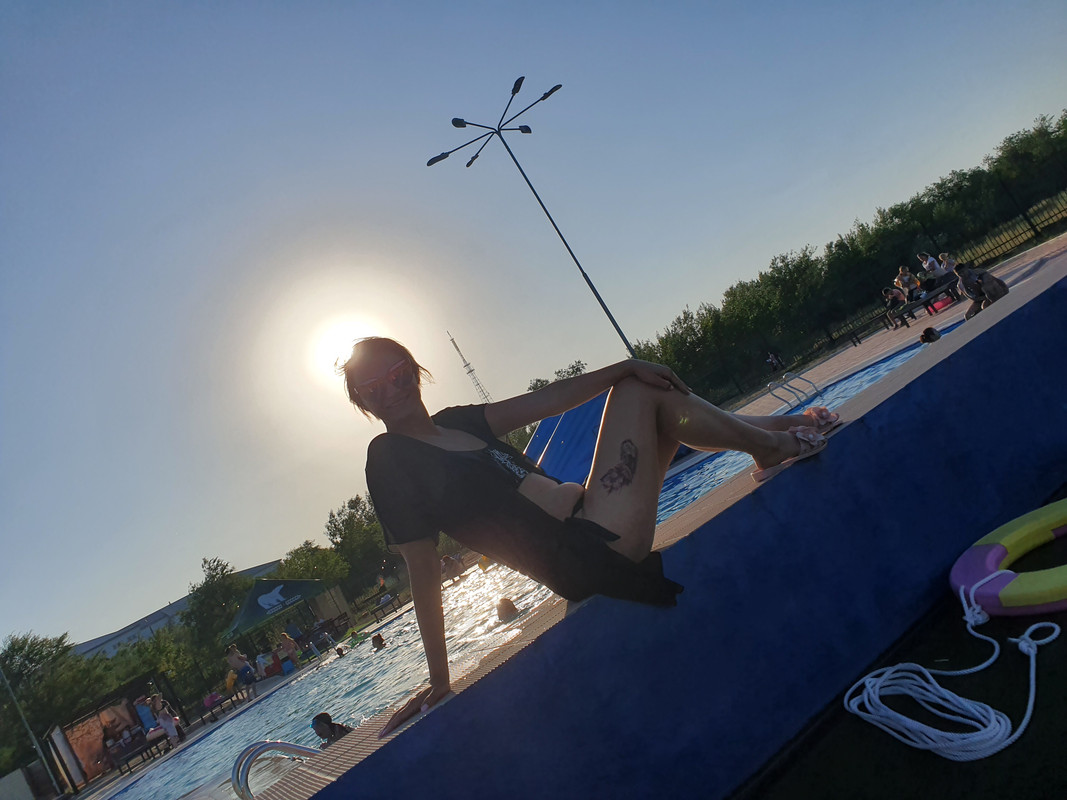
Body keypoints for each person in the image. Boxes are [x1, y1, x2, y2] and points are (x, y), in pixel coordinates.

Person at [340, 336, 838, 737]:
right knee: (641, 392)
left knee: (658, 403)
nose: (391, 392)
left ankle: (779, 432)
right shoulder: (389, 457)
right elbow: (421, 565)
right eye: (372, 390)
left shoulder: (456, 422)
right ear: (362, 402)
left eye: (397, 375)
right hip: (589, 553)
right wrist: (438, 677)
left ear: (414, 370)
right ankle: (774, 443)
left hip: (596, 516)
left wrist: (625, 365)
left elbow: (546, 401)